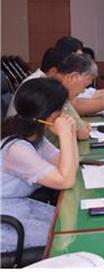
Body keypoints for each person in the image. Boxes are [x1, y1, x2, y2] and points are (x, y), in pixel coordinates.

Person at [0, 78, 79, 254]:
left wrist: (71, 133)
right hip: (7, 221)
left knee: (72, 228)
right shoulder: (16, 148)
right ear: (52, 115)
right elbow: (65, 181)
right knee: (65, 237)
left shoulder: (33, 137)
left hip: (20, 208)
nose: (64, 113)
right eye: (62, 109)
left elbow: (69, 169)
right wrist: (64, 134)